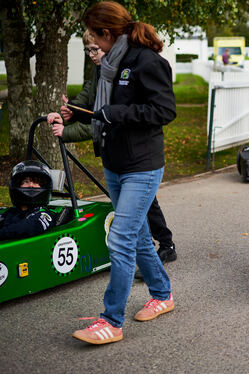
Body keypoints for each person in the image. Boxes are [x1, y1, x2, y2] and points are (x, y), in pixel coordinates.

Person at [68, 1, 177, 345]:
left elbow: (164, 110)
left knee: (121, 238)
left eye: (94, 39)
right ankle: (163, 294)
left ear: (108, 33)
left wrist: (117, 113)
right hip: (113, 162)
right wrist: (76, 115)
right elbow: (102, 109)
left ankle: (111, 320)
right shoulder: (109, 65)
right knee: (140, 237)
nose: (92, 46)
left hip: (141, 166)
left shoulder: (145, 61)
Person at [50, 31, 177, 278]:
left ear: (110, 44)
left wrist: (69, 131)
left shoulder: (134, 67)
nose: (92, 55)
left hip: (139, 156)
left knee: (127, 227)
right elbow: (91, 105)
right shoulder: (100, 71)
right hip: (115, 154)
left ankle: (163, 249)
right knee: (140, 216)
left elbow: (111, 115)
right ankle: (158, 281)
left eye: (95, 49)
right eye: (88, 51)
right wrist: (72, 111)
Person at [0, 161, 56, 241]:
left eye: (36, 182)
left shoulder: (45, 214)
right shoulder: (10, 212)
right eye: (26, 182)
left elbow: (28, 227)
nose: (31, 185)